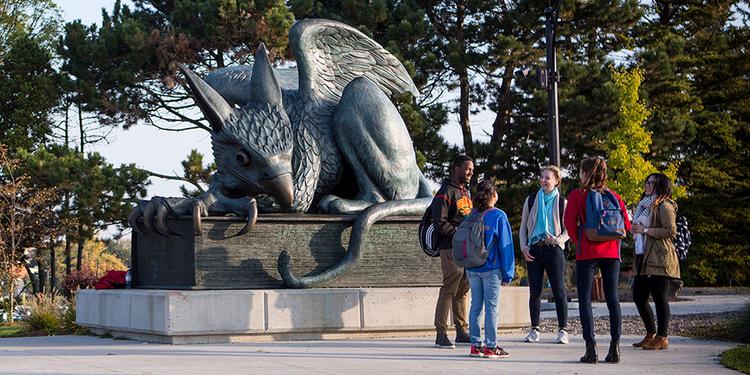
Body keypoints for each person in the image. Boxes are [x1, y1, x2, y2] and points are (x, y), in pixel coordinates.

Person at [563, 157, 631, 364]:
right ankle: (615, 348)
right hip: (611, 253)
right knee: (613, 299)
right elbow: (626, 225)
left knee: (584, 299)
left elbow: (569, 223)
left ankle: (590, 350)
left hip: (588, 253)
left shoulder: (577, 195)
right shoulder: (614, 196)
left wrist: (580, 241)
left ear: (585, 173)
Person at [519, 166, 570, 344]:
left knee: (559, 291)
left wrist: (558, 240)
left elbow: (569, 228)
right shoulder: (531, 200)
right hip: (534, 248)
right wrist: (524, 247)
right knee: (535, 291)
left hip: (554, 249)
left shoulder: (562, 202)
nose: (543, 180)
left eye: (547, 178)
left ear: (556, 180)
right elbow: (523, 226)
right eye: (542, 177)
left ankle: (563, 330)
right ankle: (534, 329)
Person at [465, 179, 516, 358]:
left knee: (475, 306)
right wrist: (508, 272)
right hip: (491, 268)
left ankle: (475, 345)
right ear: (493, 195)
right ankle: (491, 347)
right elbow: (506, 246)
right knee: (491, 307)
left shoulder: (471, 215)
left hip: (472, 268)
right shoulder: (498, 215)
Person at [630, 173, 679, 350]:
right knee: (639, 296)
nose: (647, 185)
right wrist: (636, 230)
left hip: (659, 257)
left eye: (651, 182)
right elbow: (639, 229)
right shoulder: (644, 206)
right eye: (647, 182)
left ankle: (662, 336)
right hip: (644, 256)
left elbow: (670, 231)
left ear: (660, 185)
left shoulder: (665, 206)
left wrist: (645, 230)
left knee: (660, 297)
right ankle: (651, 333)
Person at [431, 154, 474, 348]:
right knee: (449, 289)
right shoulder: (445, 192)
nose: (470, 173)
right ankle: (441, 334)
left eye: (472, 170)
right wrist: (459, 234)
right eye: (467, 169)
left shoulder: (466, 192)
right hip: (450, 248)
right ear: (456, 168)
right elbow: (440, 223)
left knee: (463, 290)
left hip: (466, 250)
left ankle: (461, 331)